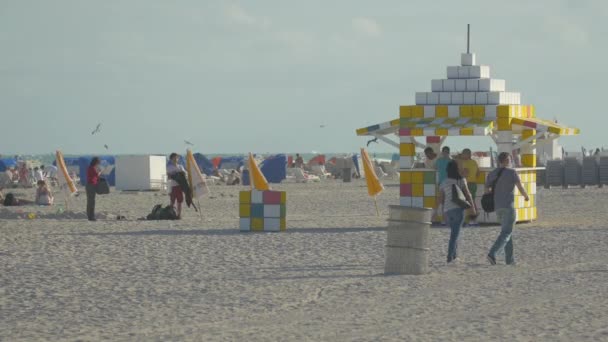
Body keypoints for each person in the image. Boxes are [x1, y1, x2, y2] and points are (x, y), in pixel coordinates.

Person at [485, 152, 529, 266]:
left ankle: (510, 260)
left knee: (507, 232)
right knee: (506, 232)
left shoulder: (492, 173)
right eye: (509, 159)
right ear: (506, 160)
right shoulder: (512, 172)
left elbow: (487, 190)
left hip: (497, 206)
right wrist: (526, 196)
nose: (510, 161)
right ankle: (492, 253)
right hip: (508, 205)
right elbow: (520, 187)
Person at [438, 161, 476, 263]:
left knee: (454, 232)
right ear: (457, 169)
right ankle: (450, 257)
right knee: (454, 235)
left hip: (447, 210)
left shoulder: (444, 182)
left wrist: (439, 211)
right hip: (458, 209)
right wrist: (472, 207)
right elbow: (468, 195)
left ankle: (454, 256)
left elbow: (441, 198)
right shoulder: (461, 180)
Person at [459, 148, 480, 225]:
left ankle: (472, 219)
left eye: (463, 154)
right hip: (474, 184)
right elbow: (478, 173)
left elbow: (465, 173)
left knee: (468, 202)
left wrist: (460, 174)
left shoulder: (465, 163)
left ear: (467, 154)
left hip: (467, 184)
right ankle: (473, 218)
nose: (462, 155)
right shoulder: (474, 162)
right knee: (472, 201)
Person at [167, 153, 186, 219]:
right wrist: (176, 174)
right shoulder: (169, 167)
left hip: (180, 186)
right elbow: (169, 177)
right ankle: (171, 214)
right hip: (173, 186)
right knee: (172, 201)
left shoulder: (180, 166)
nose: (176, 159)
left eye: (177, 158)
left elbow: (184, 174)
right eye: (174, 158)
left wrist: (180, 174)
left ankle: (179, 215)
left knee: (180, 201)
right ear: (171, 159)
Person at [86, 157, 102, 221]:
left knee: (90, 201)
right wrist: (100, 172)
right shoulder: (92, 168)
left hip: (90, 185)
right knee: (91, 202)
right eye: (98, 163)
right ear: (95, 162)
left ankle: (90, 216)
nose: (98, 164)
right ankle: (91, 216)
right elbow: (96, 175)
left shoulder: (90, 167)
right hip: (91, 185)